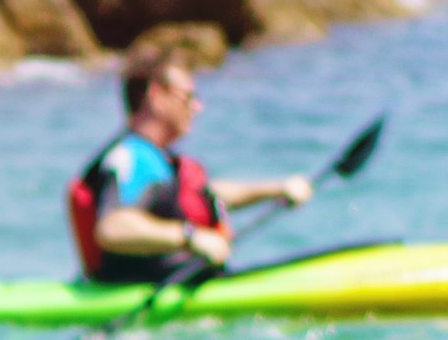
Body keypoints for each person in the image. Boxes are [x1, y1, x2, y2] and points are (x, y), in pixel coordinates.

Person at [69, 53, 318, 284]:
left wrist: (277, 189)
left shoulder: (157, 159)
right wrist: (191, 237)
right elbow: (113, 228)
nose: (197, 107)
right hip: (145, 289)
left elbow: (205, 195)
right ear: (157, 97)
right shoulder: (133, 159)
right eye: (188, 97)